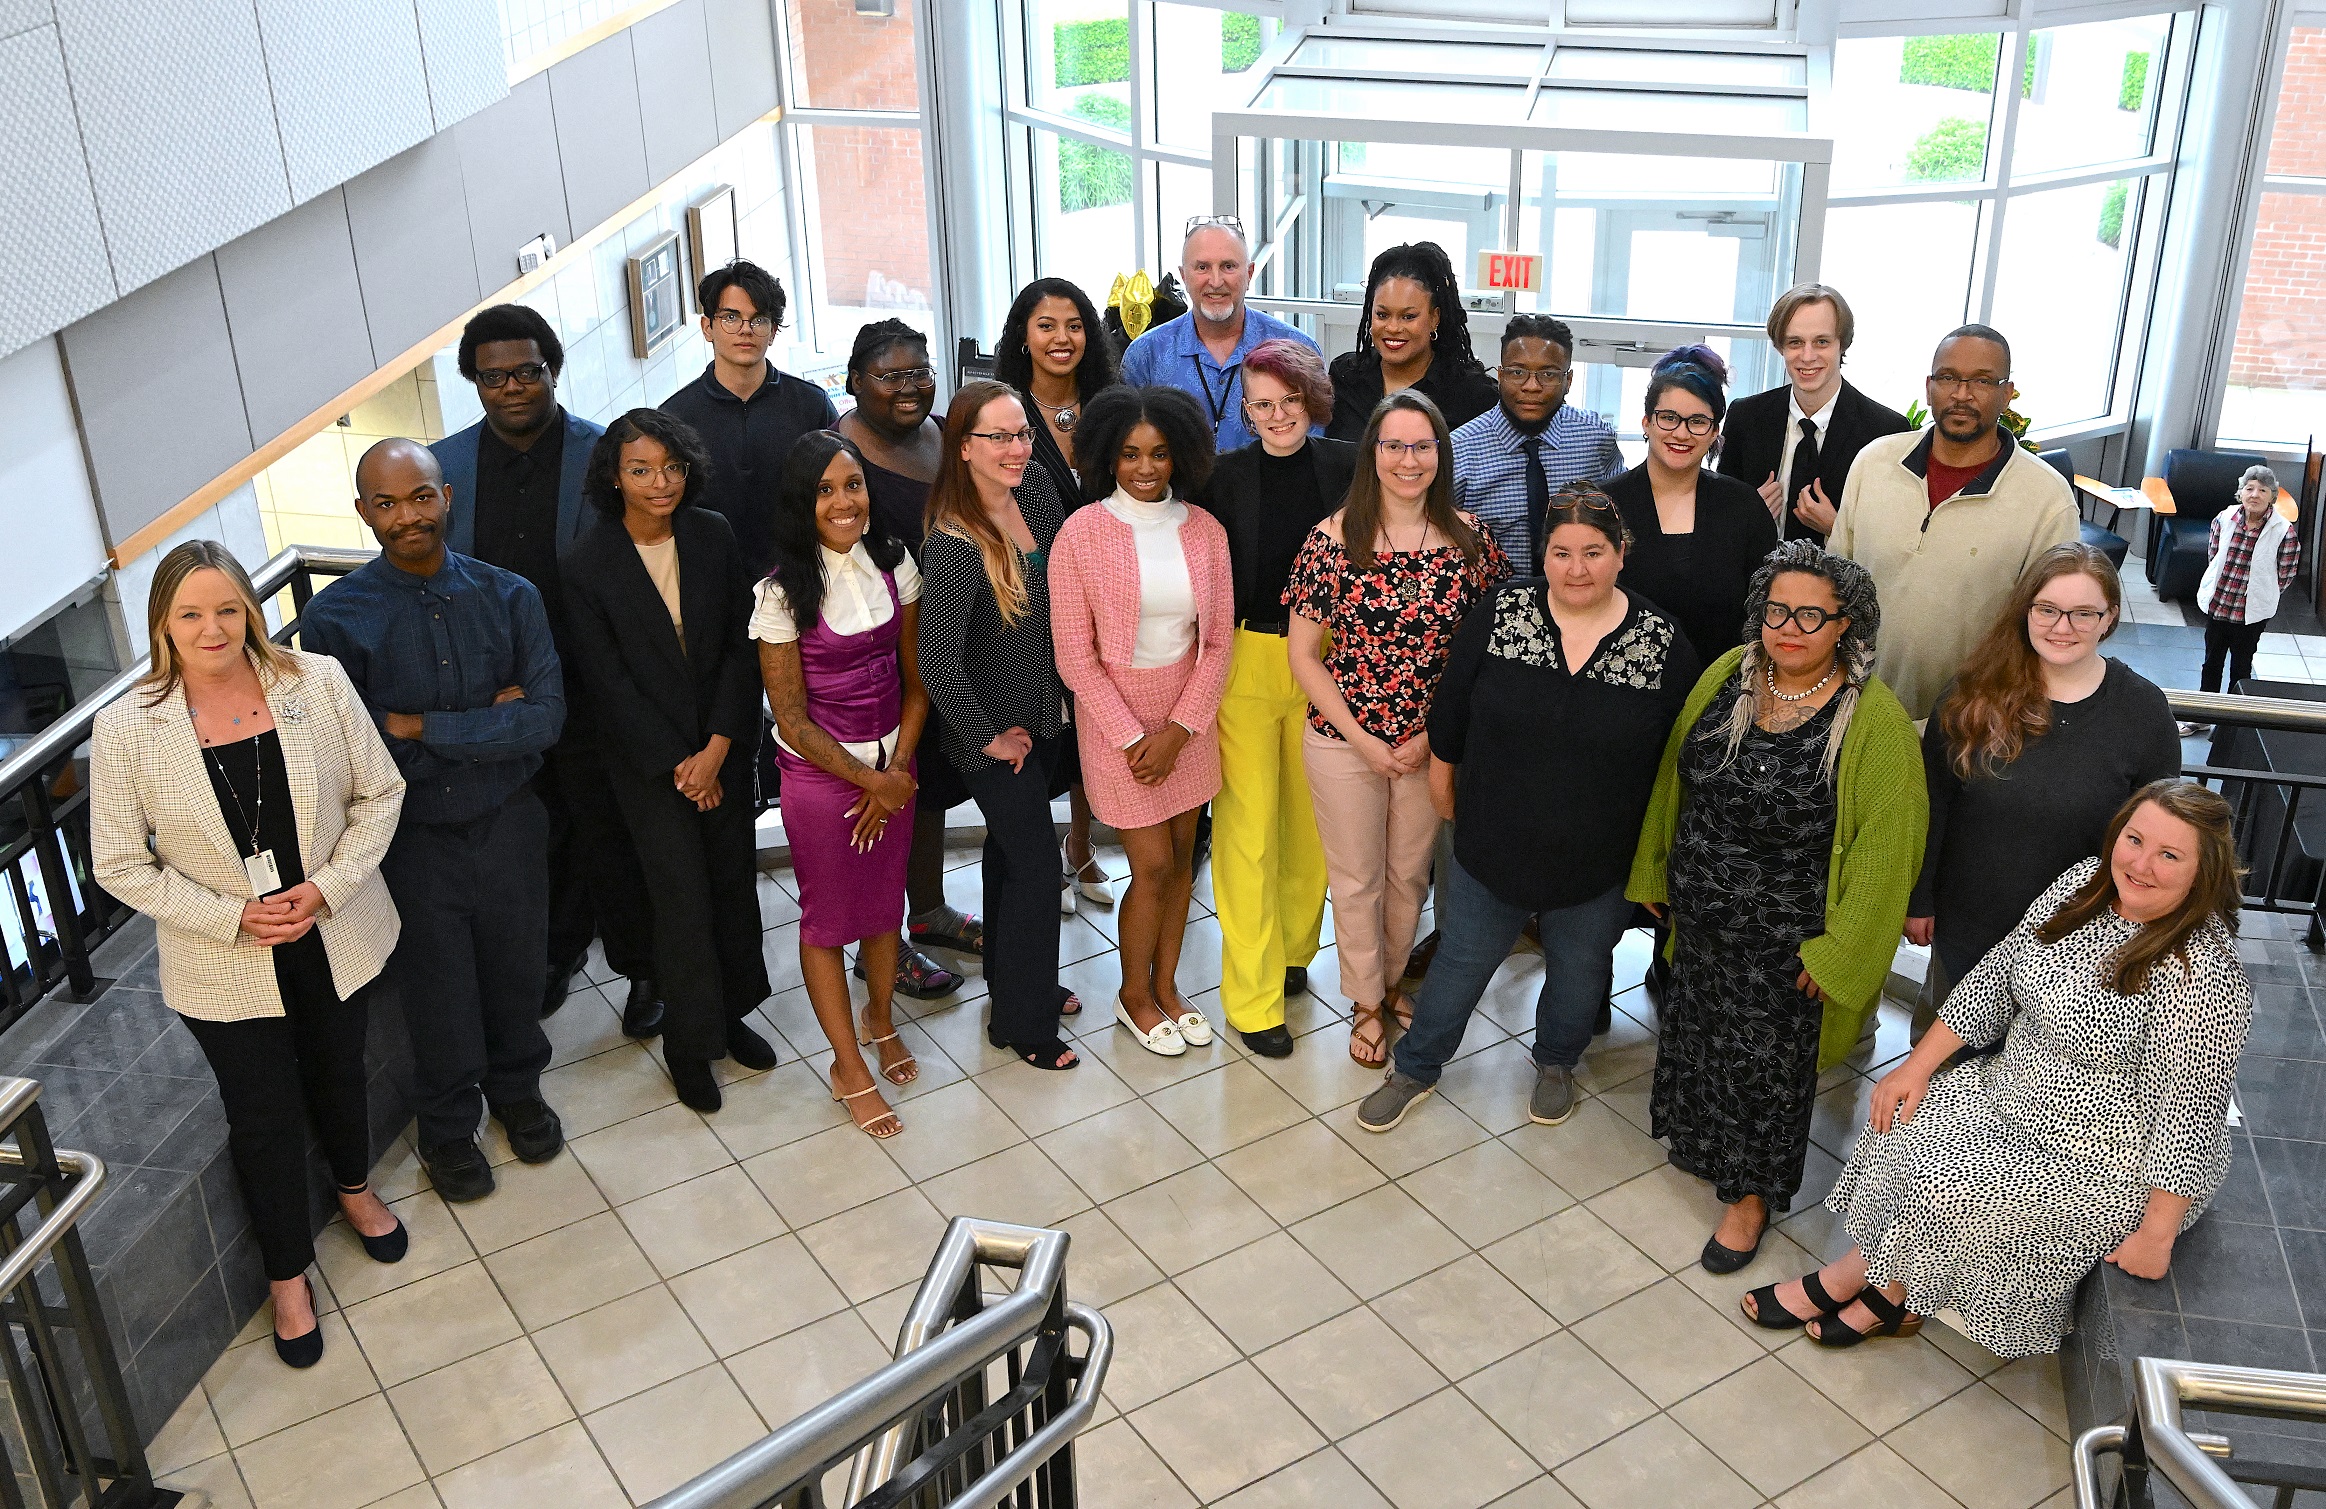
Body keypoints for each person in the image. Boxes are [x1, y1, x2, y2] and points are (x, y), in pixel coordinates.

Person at [1751, 782, 2252, 1353]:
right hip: (2020, 1084)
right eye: (2134, 840)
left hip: (2120, 1149)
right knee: (1905, 1133)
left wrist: (2156, 1233)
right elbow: (1997, 978)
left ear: (2202, 872)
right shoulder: (2085, 885)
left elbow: (2190, 1115)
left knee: (1962, 1190)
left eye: (2169, 855)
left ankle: (1849, 1282)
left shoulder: (2205, 972)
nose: (2140, 864)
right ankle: (1892, 1295)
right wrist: (1915, 1068)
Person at [92, 544, 409, 1368]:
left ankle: (351, 1189)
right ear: (163, 621)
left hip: (330, 926)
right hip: (223, 958)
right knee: (262, 1113)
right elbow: (120, 862)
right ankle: (286, 1276)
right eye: (191, 613)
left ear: (250, 610)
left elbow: (381, 792)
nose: (212, 628)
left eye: (226, 609)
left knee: (340, 1068)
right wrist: (233, 915)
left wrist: (329, 887)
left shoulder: (315, 681)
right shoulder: (128, 727)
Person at [1358, 490, 1701, 1132]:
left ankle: (1555, 1064)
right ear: (1541, 555)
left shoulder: (1661, 641)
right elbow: (1451, 712)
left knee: (1579, 970)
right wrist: (1444, 795)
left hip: (1600, 855)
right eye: (1561, 552)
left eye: (1594, 553)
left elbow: (1681, 760)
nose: (1577, 568)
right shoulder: (1501, 615)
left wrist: (1659, 859)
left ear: (1621, 555)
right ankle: (1416, 1067)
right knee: (1460, 961)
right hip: (1493, 842)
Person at [1627, 541, 1924, 1275]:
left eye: (1811, 615)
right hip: (1703, 925)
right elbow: (1677, 779)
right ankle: (1703, 1148)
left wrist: (1843, 953)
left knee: (1764, 1074)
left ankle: (1750, 1199)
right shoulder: (1728, 676)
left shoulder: (1873, 722)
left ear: (1845, 626)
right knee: (1699, 1043)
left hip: (1790, 945)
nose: (1789, 627)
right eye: (1776, 609)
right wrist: (1658, 871)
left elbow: (1889, 856)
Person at [304, 441, 569, 1205]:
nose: (406, 516)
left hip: (510, 819)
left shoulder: (511, 595)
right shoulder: (333, 622)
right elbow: (357, 755)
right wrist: (479, 728)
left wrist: (419, 726)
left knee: (519, 966)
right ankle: (449, 1128)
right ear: (364, 513)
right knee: (438, 985)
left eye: (420, 496)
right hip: (409, 836)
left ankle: (519, 1092)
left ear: (446, 496)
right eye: (386, 503)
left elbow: (544, 719)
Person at [431, 304, 660, 1037]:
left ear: (552, 370)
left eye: (526, 371)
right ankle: (554, 956)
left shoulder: (607, 457)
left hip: (598, 690)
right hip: (505, 698)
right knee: (536, 839)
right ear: (474, 383)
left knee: (616, 834)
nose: (511, 388)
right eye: (492, 377)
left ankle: (646, 968)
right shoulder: (446, 470)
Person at [560, 411, 778, 1114]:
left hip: (720, 745)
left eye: (672, 467)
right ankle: (690, 1045)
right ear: (613, 477)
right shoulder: (587, 564)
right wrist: (684, 766)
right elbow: (607, 684)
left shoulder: (711, 534)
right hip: (649, 765)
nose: (661, 483)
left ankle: (732, 1014)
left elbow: (742, 649)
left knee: (731, 884)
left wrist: (716, 749)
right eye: (642, 470)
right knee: (679, 900)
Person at [1287, 391, 1511, 1067]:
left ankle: (1387, 984)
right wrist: (1364, 740)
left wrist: (1426, 738)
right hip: (1343, 740)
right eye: (1394, 446)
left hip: (1428, 745)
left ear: (1440, 455)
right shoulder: (1331, 540)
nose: (1408, 460)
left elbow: (1483, 657)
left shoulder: (1472, 542)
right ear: (1372, 454)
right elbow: (1304, 654)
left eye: (1422, 446)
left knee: (1409, 876)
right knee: (1355, 877)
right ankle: (1363, 1001)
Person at [1911, 544, 2180, 1027]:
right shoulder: (1969, 697)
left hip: (2081, 948)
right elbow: (1934, 805)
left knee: (2048, 1086)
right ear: (2026, 611)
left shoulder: (2143, 711)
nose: (2062, 627)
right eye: (2048, 610)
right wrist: (1920, 900)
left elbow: (2163, 835)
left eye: (2083, 614)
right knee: (1945, 1079)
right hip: (1968, 929)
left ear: (2110, 618)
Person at [754, 433, 927, 1137]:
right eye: (825, 489)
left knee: (887, 907)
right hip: (823, 780)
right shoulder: (779, 593)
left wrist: (895, 772)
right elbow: (790, 718)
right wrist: (866, 780)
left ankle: (880, 1016)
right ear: (803, 502)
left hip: (895, 765)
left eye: (852, 484)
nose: (843, 500)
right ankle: (846, 1063)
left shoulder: (895, 562)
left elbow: (918, 683)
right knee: (828, 922)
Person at [1052, 386, 1233, 1057]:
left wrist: (1181, 728)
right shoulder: (1082, 533)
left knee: (1183, 861)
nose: (1146, 466)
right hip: (1114, 724)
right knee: (1150, 864)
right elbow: (1075, 655)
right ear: (1107, 455)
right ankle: (1133, 995)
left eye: (1159, 453)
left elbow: (1217, 643)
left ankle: (1168, 985)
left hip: (1188, 718)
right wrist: (1136, 738)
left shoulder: (1206, 531)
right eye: (1129, 453)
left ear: (1180, 453)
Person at [1192, 340, 1353, 1057]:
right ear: (1245, 411)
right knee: (1247, 833)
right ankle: (1251, 999)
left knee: (1313, 825)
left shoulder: (1349, 468)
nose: (1278, 414)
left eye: (1290, 400)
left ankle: (1291, 953)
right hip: (1249, 659)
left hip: (1332, 660)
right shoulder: (1219, 478)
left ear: (1312, 399)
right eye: (1263, 403)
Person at [918, 382, 1083, 1070]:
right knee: (1041, 871)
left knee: (1008, 857)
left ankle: (1019, 981)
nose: (1018, 448)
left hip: (1044, 717)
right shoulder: (954, 542)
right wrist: (986, 736)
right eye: (999, 437)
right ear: (964, 448)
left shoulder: (1038, 485)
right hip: (990, 737)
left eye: (1023, 433)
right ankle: (1023, 1023)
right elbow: (937, 662)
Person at [1828, 324, 2079, 722]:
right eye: (1948, 378)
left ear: (2007, 393)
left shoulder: (2046, 499)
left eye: (1982, 381)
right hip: (1852, 710)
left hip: (1966, 729)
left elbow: (2049, 633)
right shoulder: (1873, 464)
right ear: (1929, 387)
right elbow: (1834, 583)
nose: (1962, 394)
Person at [834, 320, 970, 1002]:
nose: (910, 386)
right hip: (872, 657)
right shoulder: (836, 455)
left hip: (944, 645)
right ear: (855, 381)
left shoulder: (945, 431)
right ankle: (875, 941)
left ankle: (930, 909)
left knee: (928, 784)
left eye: (919, 370)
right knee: (880, 792)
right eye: (890, 376)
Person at [995, 277, 1123, 914]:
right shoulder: (1004, 410)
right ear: (1024, 334)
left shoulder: (1112, 404)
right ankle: (1045, 851)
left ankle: (1082, 843)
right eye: (1046, 326)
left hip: (1109, 589)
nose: (1061, 339)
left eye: (1074, 325)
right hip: (1028, 595)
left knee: (1092, 721)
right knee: (1044, 720)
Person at [660, 259, 840, 580]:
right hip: (711, 587)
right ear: (707, 328)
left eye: (758, 319)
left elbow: (839, 492)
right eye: (731, 317)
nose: (745, 329)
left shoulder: (812, 405)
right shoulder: (674, 418)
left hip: (802, 580)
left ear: (772, 332)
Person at [1607, 345, 1779, 663]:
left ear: (1714, 432)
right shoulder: (1604, 506)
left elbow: (1767, 613)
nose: (1681, 433)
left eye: (1697, 421)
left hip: (1722, 691)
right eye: (1669, 418)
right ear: (1647, 422)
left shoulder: (1744, 509)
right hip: (1621, 691)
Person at [1717, 283, 1913, 543]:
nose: (1807, 356)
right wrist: (1747, 517)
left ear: (1842, 344)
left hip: (1841, 582)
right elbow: (1717, 519)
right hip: (1754, 581)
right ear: (1780, 348)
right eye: (1795, 342)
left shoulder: (1886, 431)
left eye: (1821, 342)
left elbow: (1895, 542)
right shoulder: (1745, 416)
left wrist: (1837, 528)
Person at [1120, 216, 1320, 454]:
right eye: (1202, 267)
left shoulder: (1298, 348)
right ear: (1184, 276)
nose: (1215, 282)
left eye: (1228, 266)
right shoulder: (1145, 355)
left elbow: (1314, 447)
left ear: (1250, 273)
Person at [1450, 313, 1624, 569]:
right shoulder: (1461, 449)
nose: (1531, 386)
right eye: (1517, 372)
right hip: (1492, 600)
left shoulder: (1595, 438)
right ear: (1500, 375)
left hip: (1581, 592)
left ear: (1569, 380)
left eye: (1548, 374)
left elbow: (1620, 520)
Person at [1326, 242, 1498, 442]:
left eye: (1408, 317)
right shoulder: (1345, 375)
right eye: (1382, 315)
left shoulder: (1473, 394)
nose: (1393, 327)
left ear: (1435, 318)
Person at [2188, 463, 2298, 725]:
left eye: (2262, 489)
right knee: (2211, 662)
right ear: (2241, 492)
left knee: (2241, 667)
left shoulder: (2283, 531)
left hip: (2252, 613)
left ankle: (2232, 722)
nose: (2255, 495)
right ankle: (2203, 716)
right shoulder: (2225, 518)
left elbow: (2286, 574)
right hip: (2220, 604)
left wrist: (2263, 592)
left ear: (2273, 495)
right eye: (2249, 488)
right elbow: (2213, 555)